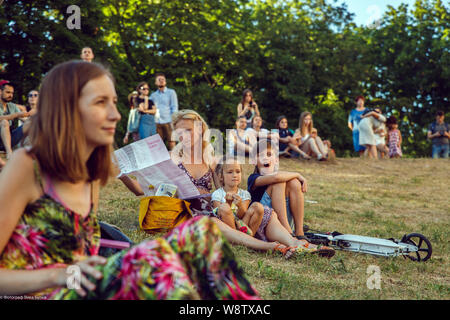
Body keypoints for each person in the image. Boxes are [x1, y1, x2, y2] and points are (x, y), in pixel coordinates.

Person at [0, 61, 259, 300]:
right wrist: (61, 275)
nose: (116, 114)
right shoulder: (28, 165)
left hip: (88, 288)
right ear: (66, 106)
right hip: (50, 293)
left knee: (200, 232)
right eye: (101, 102)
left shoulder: (87, 172)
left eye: (114, 102)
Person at [121, 109, 334, 258]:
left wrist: (239, 201)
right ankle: (270, 246)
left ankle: (297, 243)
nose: (185, 134)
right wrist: (123, 176)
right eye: (181, 131)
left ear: (200, 130)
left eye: (190, 129)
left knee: (266, 213)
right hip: (191, 212)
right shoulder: (171, 158)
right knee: (210, 223)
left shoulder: (210, 158)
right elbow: (143, 191)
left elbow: (224, 187)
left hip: (216, 208)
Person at [211, 157, 264, 236]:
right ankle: (237, 237)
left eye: (238, 172)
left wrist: (240, 205)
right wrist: (228, 203)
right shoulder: (217, 194)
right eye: (230, 172)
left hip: (242, 224)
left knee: (258, 206)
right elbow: (219, 216)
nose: (235, 175)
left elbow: (242, 215)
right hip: (227, 226)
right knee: (224, 207)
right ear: (221, 176)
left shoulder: (245, 194)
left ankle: (249, 237)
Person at [0, 82, 31, 160]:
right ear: (0, 91)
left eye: (12, 93)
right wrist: (15, 115)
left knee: (31, 123)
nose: (10, 95)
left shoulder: (12, 106)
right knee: (4, 122)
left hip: (10, 138)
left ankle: (31, 150)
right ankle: (9, 152)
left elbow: (23, 118)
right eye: (8, 92)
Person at [150, 73, 178, 150]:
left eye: (163, 79)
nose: (161, 81)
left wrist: (174, 121)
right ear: (156, 82)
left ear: (165, 82)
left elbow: (174, 107)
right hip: (157, 122)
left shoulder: (171, 92)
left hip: (169, 121)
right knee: (158, 144)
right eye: (159, 80)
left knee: (171, 141)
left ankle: (174, 160)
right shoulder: (153, 95)